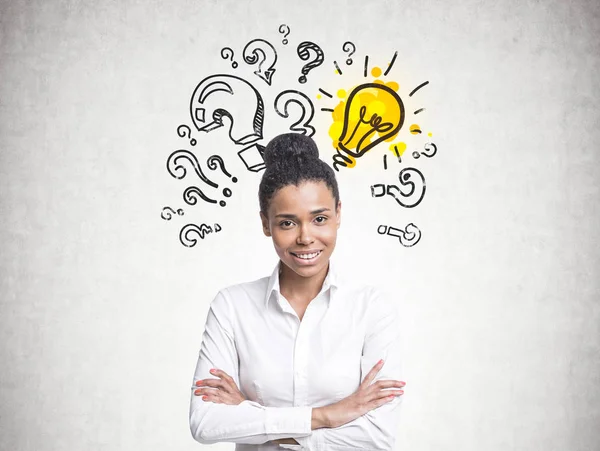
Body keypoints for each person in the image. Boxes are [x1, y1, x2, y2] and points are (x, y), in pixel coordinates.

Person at [189, 133, 406, 450]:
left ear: (338, 213)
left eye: (319, 219)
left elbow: (377, 436)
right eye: (287, 223)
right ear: (266, 223)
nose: (306, 238)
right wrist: (327, 415)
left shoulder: (371, 308)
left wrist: (252, 417)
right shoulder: (232, 306)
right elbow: (206, 424)